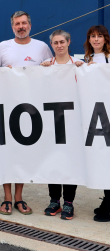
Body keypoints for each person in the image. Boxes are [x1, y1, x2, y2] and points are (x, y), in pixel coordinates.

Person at [0, 11, 52, 215]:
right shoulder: (2, 47)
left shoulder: (42, 47)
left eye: (24, 23)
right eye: (17, 24)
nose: (21, 26)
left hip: (31, 110)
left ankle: (19, 197)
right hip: (7, 108)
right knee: (7, 152)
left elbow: (54, 73)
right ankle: (7, 197)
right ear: (12, 27)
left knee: (23, 153)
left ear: (30, 25)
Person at [40, 29, 83, 220]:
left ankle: (69, 203)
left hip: (73, 122)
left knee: (71, 162)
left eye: (62, 42)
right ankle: (54, 200)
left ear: (68, 42)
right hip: (52, 122)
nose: (59, 45)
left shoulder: (79, 66)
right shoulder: (46, 67)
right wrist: (41, 71)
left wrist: (85, 69)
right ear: (52, 45)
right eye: (55, 43)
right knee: (53, 160)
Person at [83, 25, 110, 222]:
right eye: (93, 36)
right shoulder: (86, 60)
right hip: (98, 117)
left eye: (99, 36)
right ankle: (108, 200)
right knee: (103, 160)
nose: (96, 39)